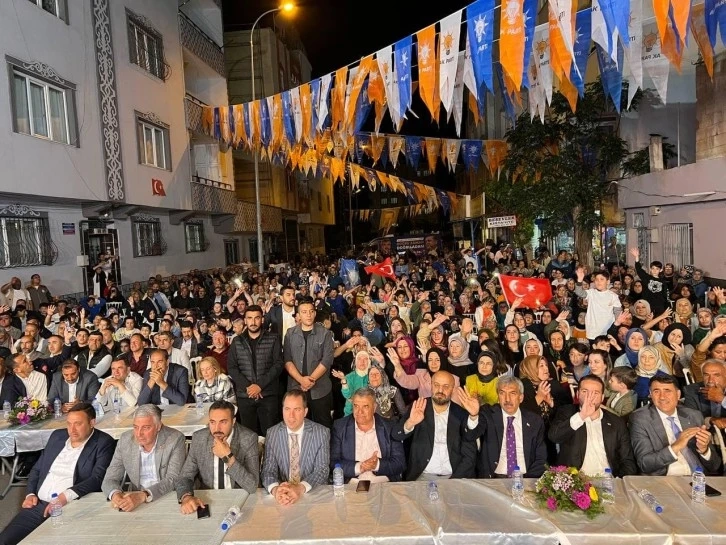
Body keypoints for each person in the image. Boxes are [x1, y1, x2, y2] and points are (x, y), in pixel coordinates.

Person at [0, 403, 115, 545]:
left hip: (71, 507)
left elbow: (97, 478)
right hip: (39, 505)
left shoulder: (103, 442)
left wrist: (64, 497)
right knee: (4, 540)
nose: (72, 429)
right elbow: (37, 469)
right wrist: (30, 494)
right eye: (69, 424)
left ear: (92, 423)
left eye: (78, 424)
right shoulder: (57, 436)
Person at [391, 371, 477, 481]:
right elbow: (396, 435)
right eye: (436, 385)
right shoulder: (419, 407)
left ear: (453, 389)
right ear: (431, 385)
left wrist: (455, 481)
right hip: (422, 476)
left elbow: (469, 456)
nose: (440, 390)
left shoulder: (461, 414)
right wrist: (410, 422)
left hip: (453, 477)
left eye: (446, 386)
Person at [177, 400, 260, 513]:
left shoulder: (248, 438)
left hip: (239, 499)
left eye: (223, 422)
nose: (217, 428)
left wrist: (228, 457)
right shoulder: (199, 438)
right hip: (208, 499)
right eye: (212, 422)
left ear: (233, 421)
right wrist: (186, 497)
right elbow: (185, 476)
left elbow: (252, 486)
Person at [629, 374, 722, 475]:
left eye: (667, 391)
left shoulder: (693, 415)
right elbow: (645, 464)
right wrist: (676, 446)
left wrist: (704, 450)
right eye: (656, 391)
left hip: (699, 478)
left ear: (678, 394)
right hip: (666, 479)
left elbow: (715, 465)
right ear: (650, 395)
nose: (662, 397)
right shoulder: (641, 419)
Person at [458, 376, 547, 479]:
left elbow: (541, 458)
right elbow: (470, 435)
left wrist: (527, 481)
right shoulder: (488, 414)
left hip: (525, 478)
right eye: (502, 393)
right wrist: (473, 416)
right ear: (498, 397)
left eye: (512, 393)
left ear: (521, 397)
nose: (507, 399)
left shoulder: (534, 421)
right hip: (494, 479)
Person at [548, 375, 637, 477]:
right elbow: (554, 436)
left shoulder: (616, 422)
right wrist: (582, 416)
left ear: (602, 397)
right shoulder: (566, 412)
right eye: (585, 391)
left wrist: (617, 481)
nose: (590, 397)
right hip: (576, 480)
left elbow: (627, 460)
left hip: (608, 479)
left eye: (595, 393)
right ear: (577, 394)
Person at [101, 404, 186, 511]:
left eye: (146, 428)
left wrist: (144, 495)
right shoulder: (125, 440)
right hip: (135, 499)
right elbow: (110, 478)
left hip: (167, 496)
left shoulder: (175, 439)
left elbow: (173, 479)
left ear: (158, 426)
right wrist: (115, 495)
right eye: (135, 427)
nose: (139, 434)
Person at [262, 390, 330, 506]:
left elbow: (322, 471)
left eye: (297, 409)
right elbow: (268, 470)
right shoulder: (272, 433)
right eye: (287, 409)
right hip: (283, 495)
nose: (291, 415)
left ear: (305, 412)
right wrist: (276, 490)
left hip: (311, 494)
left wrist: (299, 488)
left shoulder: (321, 433)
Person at [227, 305, 284, 436]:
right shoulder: (237, 341)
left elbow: (278, 364)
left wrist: (259, 386)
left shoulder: (273, 338)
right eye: (249, 318)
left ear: (262, 319)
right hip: (245, 396)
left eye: (257, 318)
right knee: (248, 436)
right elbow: (232, 368)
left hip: (268, 395)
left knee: (271, 435)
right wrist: (249, 387)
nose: (253, 322)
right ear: (245, 320)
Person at [330, 387, 406, 483]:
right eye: (356, 406)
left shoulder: (389, 427)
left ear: (374, 407)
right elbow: (334, 463)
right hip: (353, 483)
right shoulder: (340, 427)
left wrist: (377, 465)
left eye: (365, 406)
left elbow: (400, 463)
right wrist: (359, 467)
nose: (359, 412)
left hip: (383, 483)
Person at [283, 301, 335, 427]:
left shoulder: (325, 333)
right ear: (298, 315)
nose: (308, 315)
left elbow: (327, 360)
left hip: (320, 389)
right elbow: (287, 360)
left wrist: (310, 380)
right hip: (296, 388)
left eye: (311, 311)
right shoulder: (290, 334)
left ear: (315, 313)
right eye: (304, 312)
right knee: (298, 426)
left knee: (323, 426)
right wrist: (301, 380)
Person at [573, 268, 622, 341]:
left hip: (608, 331)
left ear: (608, 282)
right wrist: (579, 280)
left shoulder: (613, 296)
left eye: (602, 279)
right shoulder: (591, 293)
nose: (599, 282)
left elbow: (617, 312)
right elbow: (579, 292)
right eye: (596, 279)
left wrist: (617, 324)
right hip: (592, 332)